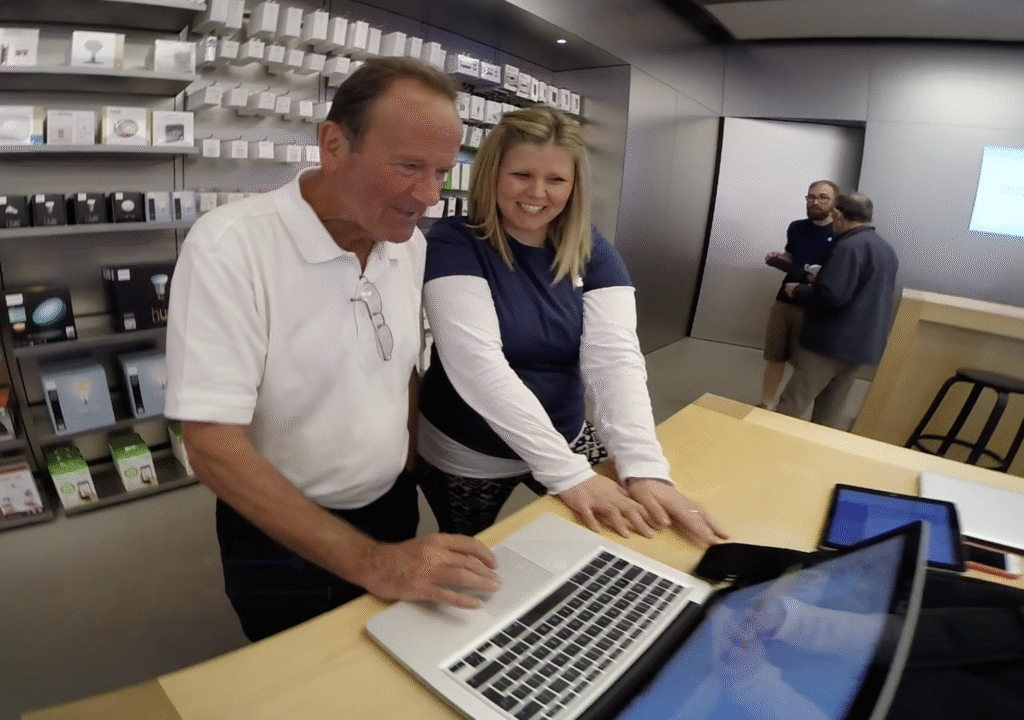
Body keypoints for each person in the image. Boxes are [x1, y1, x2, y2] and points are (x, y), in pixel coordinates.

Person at [164, 58, 500, 643]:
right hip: (281, 534)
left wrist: (411, 474)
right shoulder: (230, 246)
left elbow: (399, 371)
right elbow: (213, 445)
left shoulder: (408, 246)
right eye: (407, 167)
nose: (427, 195)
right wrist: (372, 564)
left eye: (442, 171)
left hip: (393, 510)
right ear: (333, 145)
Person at [416, 106, 728, 544]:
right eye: (522, 174)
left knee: (632, 528)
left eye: (557, 180)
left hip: (567, 437)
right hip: (471, 450)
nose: (537, 192)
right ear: (492, 174)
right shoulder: (456, 241)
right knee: (469, 550)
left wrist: (644, 468)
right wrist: (568, 475)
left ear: (575, 184)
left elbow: (614, 358)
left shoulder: (591, 248)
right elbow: (476, 365)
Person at [775, 193, 899, 428]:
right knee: (830, 409)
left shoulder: (849, 246)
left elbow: (832, 295)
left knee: (793, 402)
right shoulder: (884, 249)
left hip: (830, 343)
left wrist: (798, 290)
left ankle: (763, 452)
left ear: (838, 215)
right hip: (860, 346)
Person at [758, 181, 838, 410]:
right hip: (784, 301)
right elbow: (790, 258)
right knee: (774, 356)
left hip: (812, 308)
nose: (815, 202)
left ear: (834, 203)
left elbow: (835, 276)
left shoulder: (841, 235)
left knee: (802, 363)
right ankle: (765, 403)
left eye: (823, 197)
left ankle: (788, 411)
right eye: (811, 197)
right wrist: (778, 258)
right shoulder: (796, 227)